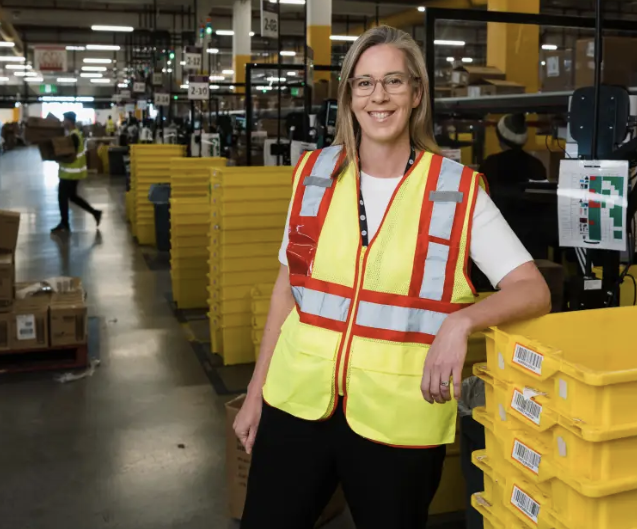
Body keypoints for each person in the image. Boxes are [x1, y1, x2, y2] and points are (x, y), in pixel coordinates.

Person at [233, 26, 551, 529]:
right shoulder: (314, 174)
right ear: (348, 96)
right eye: (364, 83)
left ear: (417, 93)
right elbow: (287, 291)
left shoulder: (455, 191)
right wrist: (255, 395)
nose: (378, 96)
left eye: (393, 82)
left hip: (398, 422)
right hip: (297, 403)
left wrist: (461, 323)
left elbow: (533, 289)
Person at [479, 114, 549, 259]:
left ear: (499, 137)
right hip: (533, 244)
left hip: (499, 241)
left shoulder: (491, 164)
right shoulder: (536, 165)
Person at [51, 111, 102, 234]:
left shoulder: (73, 136)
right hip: (72, 172)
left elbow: (70, 154)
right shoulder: (74, 134)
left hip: (70, 173)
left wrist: (58, 155)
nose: (63, 122)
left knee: (62, 196)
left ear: (70, 121)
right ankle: (95, 212)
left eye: (64, 120)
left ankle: (65, 223)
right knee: (72, 196)